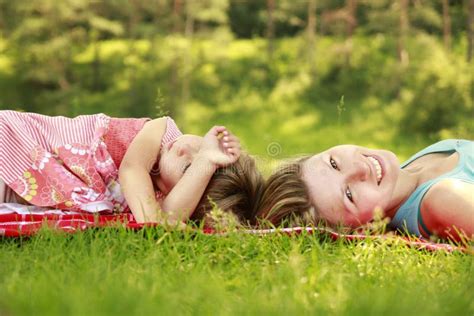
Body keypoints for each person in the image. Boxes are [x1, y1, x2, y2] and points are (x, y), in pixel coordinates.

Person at [0, 110, 259, 226]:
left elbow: (167, 219)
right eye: (200, 145)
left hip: (23, 186)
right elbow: (132, 169)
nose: (183, 149)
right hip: (20, 143)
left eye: (187, 167)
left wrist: (204, 164)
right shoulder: (160, 131)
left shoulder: (159, 201)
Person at [257, 140, 473, 241]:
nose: (360, 168)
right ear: (364, 230)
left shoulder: (411, 170)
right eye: (349, 195)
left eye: (333, 163)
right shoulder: (443, 199)